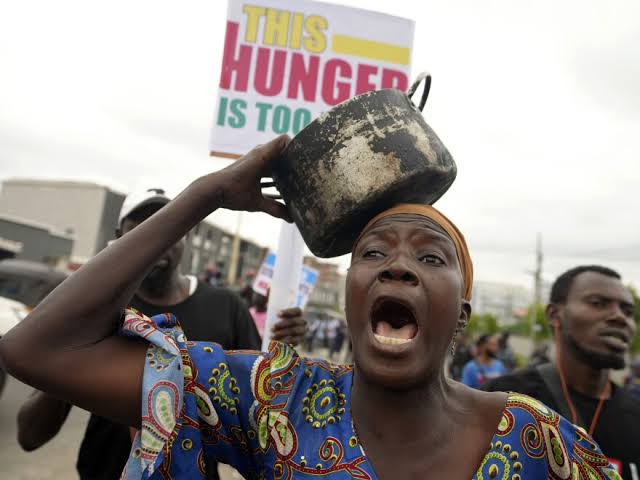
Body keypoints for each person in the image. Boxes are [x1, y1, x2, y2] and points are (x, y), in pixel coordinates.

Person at [0, 136, 618, 479]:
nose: (397, 265)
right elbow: (40, 350)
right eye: (373, 254)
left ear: (461, 313)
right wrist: (206, 194)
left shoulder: (537, 441)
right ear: (350, 301)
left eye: (431, 259)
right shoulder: (278, 399)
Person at [15, 187, 305, 480]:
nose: (156, 242)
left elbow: (261, 411)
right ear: (118, 237)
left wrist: (279, 351)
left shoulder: (227, 307)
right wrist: (69, 348)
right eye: (142, 229)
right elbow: (30, 436)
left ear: (186, 236)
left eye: (168, 228)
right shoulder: (98, 311)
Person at [482, 266, 639, 478]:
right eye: (598, 303)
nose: (620, 317)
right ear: (555, 314)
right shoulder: (502, 399)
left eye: (628, 312)